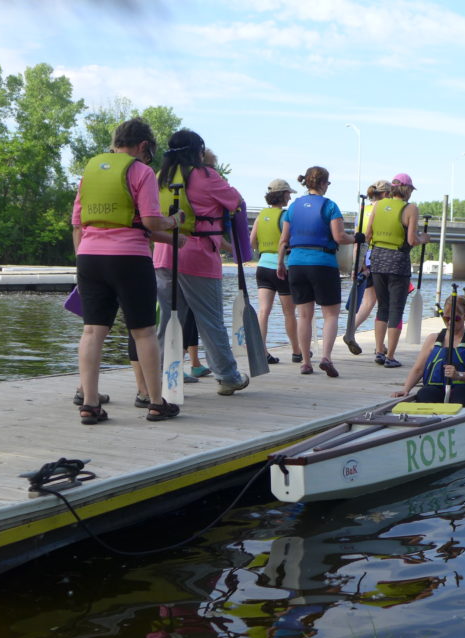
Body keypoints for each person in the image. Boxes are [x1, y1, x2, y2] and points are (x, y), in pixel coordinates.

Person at [72, 117, 182, 424]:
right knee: (143, 330)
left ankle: (90, 404)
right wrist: (174, 222)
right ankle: (157, 403)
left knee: (93, 330)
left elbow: (77, 223)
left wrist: (82, 257)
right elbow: (149, 221)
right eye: (150, 152)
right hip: (129, 258)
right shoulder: (140, 171)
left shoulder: (90, 171)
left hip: (89, 257)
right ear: (143, 146)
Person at [154, 129, 249, 397]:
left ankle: (161, 375)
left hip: (164, 253)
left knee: (167, 322)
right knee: (210, 320)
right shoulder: (206, 176)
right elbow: (235, 201)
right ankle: (228, 376)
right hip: (197, 255)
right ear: (197, 151)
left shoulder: (159, 178)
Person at [277, 165, 359, 377]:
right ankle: (326, 357)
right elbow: (339, 237)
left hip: (295, 263)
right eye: (328, 183)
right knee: (330, 314)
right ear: (323, 183)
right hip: (323, 263)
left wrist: (280, 264)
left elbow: (283, 240)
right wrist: (357, 238)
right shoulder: (330, 206)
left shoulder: (293, 207)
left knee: (304, 315)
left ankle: (305, 362)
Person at [365, 172, 430, 368]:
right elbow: (411, 240)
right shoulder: (410, 208)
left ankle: (378, 350)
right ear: (407, 189)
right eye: (410, 189)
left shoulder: (377, 205)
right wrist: (423, 239)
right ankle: (390, 356)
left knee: (382, 307)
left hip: (377, 261)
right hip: (398, 263)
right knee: (396, 309)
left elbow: (368, 235)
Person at [391, 294, 465, 409]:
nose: (450, 322)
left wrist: (458, 375)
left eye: (456, 318)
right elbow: (418, 369)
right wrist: (405, 389)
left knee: (460, 394)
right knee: (425, 393)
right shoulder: (432, 339)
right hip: (437, 388)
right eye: (446, 318)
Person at [250, 178, 302, 364]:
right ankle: (297, 351)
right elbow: (290, 240)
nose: (289, 196)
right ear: (282, 195)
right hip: (282, 268)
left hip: (263, 267)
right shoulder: (285, 216)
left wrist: (263, 249)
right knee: (289, 312)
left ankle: (261, 351)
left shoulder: (260, 215)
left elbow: (252, 242)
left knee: (263, 311)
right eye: (288, 193)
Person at [342, 180, 392, 355]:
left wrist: (358, 265)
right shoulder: (384, 211)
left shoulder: (361, 212)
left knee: (370, 301)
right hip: (380, 261)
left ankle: (351, 330)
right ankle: (380, 346)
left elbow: (358, 240)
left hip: (363, 261)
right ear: (386, 194)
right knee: (384, 304)